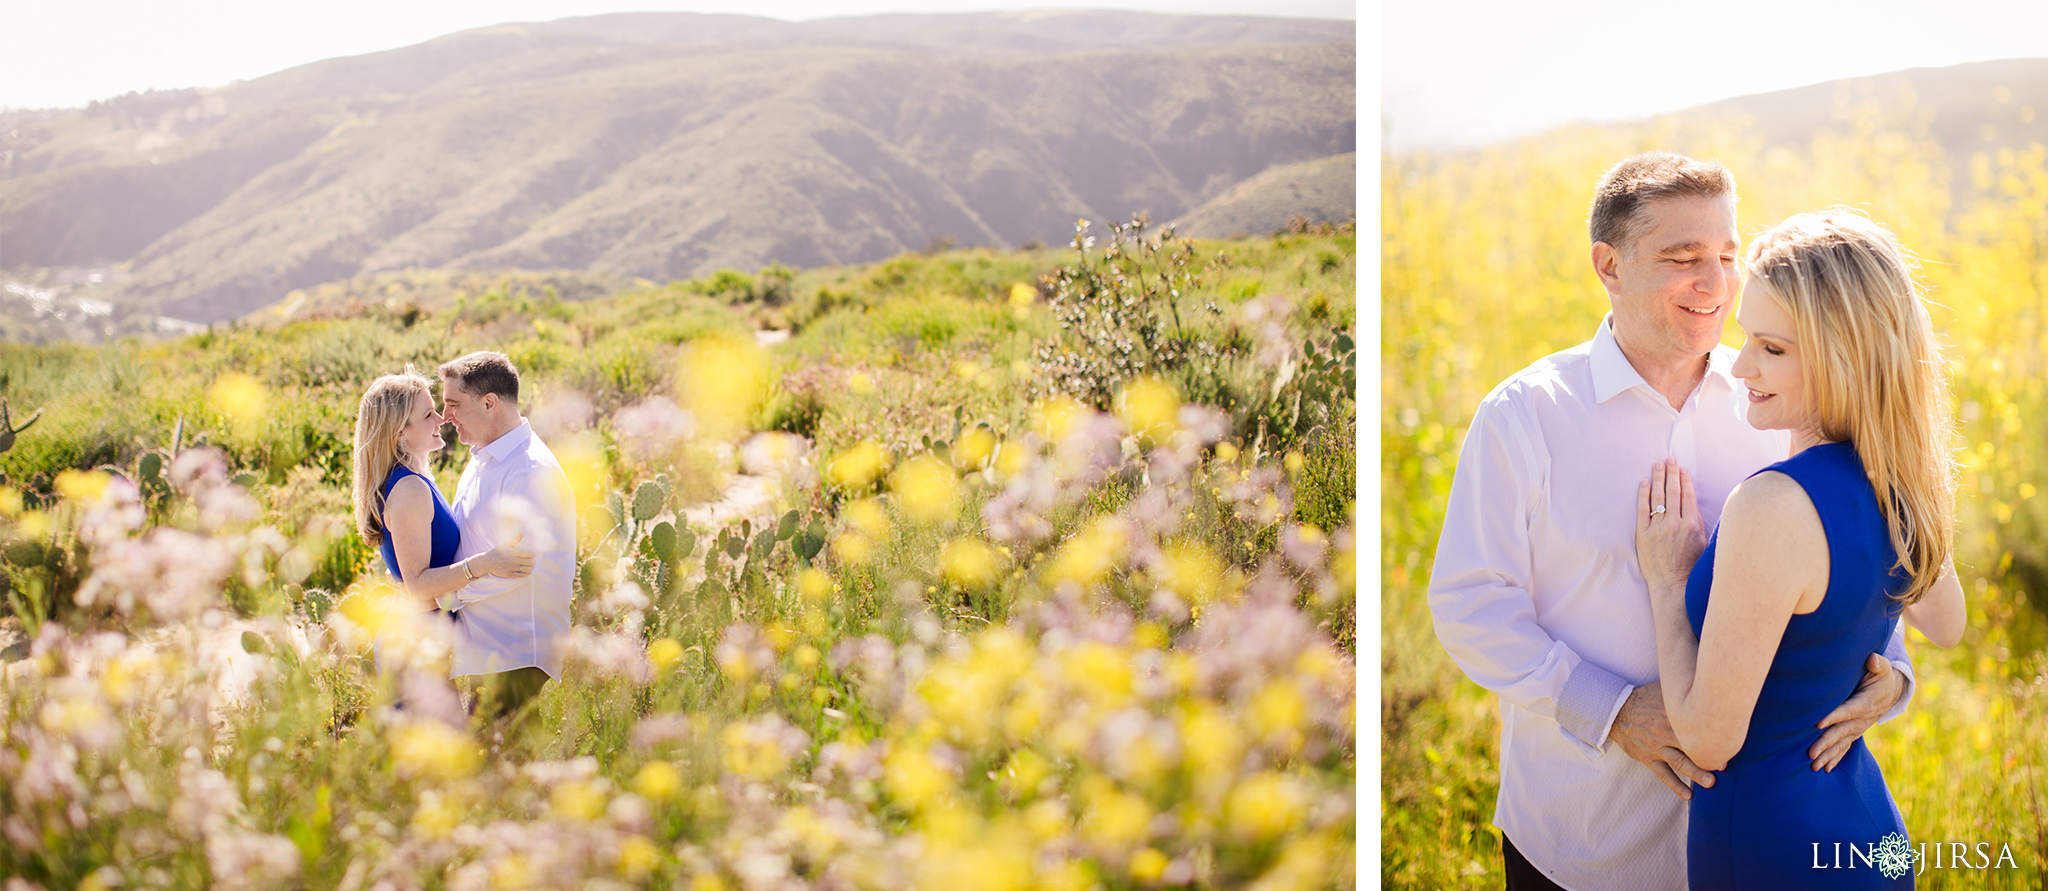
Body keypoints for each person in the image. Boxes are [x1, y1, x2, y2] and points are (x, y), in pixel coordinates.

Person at [1428, 152, 1918, 891]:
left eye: (1726, 255)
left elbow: (1847, 542)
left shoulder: (1776, 392)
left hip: (1757, 843)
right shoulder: (1524, 416)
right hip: (1587, 839)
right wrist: (1614, 709)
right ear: (1610, 265)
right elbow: (1469, 605)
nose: (1715, 284)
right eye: (1683, 258)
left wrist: (1894, 670)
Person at [1635, 208, 1966, 888]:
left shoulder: (1772, 506)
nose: (1742, 363)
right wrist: (1892, 677)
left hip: (1774, 847)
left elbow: (1705, 738)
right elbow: (1948, 622)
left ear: (1848, 359)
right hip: (1872, 836)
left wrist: (1669, 584)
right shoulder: (1901, 484)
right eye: (1747, 336)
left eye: (1774, 348)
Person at [435, 351, 578, 722]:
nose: (444, 416)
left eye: (453, 404)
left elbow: (517, 566)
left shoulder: (529, 471)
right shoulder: (483, 455)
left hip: (517, 649)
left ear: (488, 403)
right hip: (488, 645)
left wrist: (441, 594)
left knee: (498, 764)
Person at [350, 367, 534, 617]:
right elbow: (417, 586)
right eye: (428, 415)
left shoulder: (414, 480)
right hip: (416, 642)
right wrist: (485, 563)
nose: (441, 419)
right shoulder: (410, 489)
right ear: (400, 434)